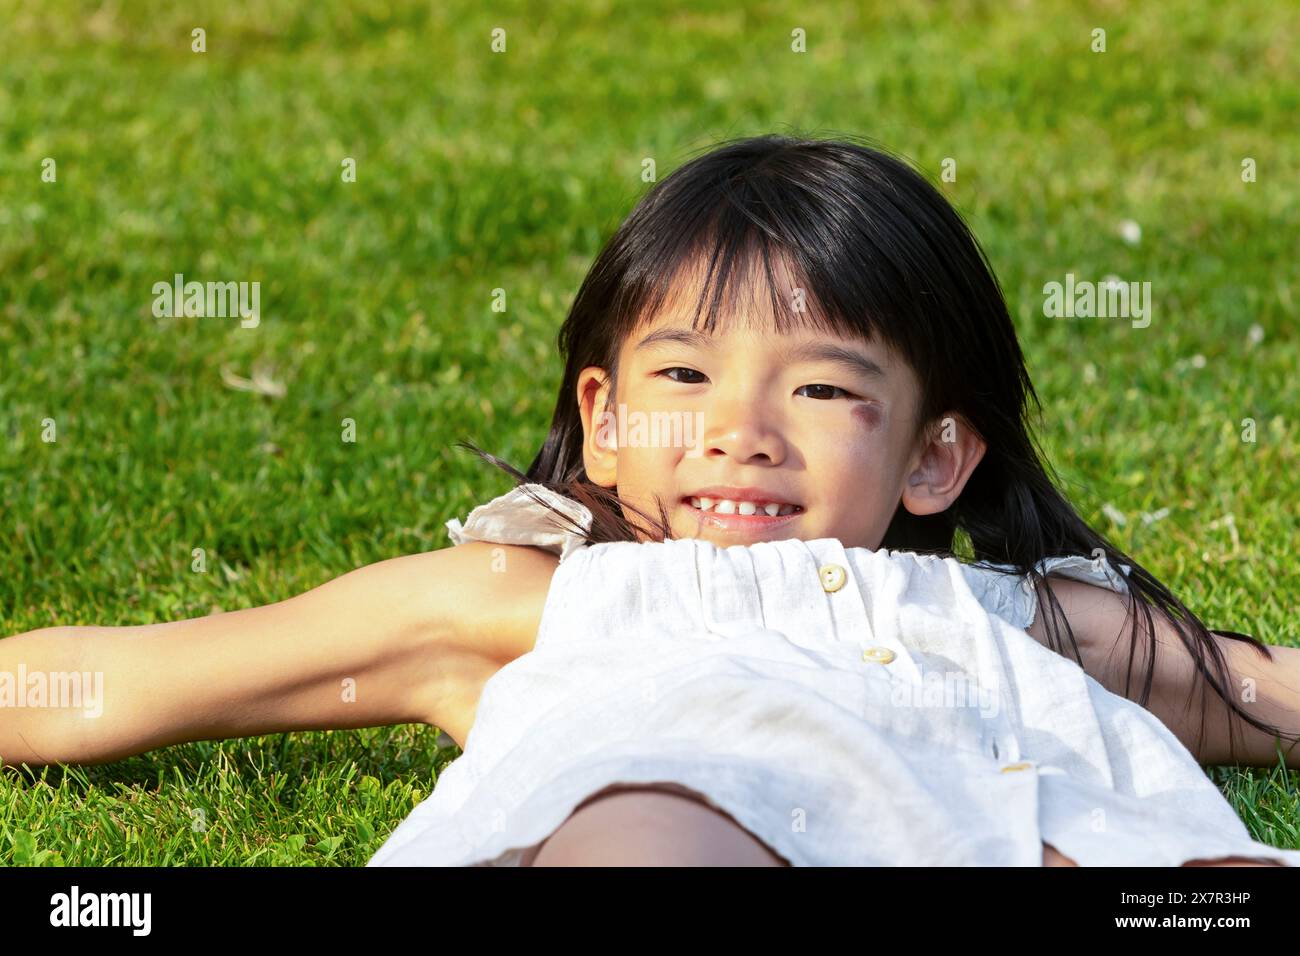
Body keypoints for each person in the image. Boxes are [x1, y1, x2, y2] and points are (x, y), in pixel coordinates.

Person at [4, 135, 1297, 866]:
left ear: (933, 462)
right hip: (677, 837)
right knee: (651, 821)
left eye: (826, 392)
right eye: (683, 375)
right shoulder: (553, 598)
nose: (738, 431)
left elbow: (1261, 694)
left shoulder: (1012, 620)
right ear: (605, 424)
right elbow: (137, 675)